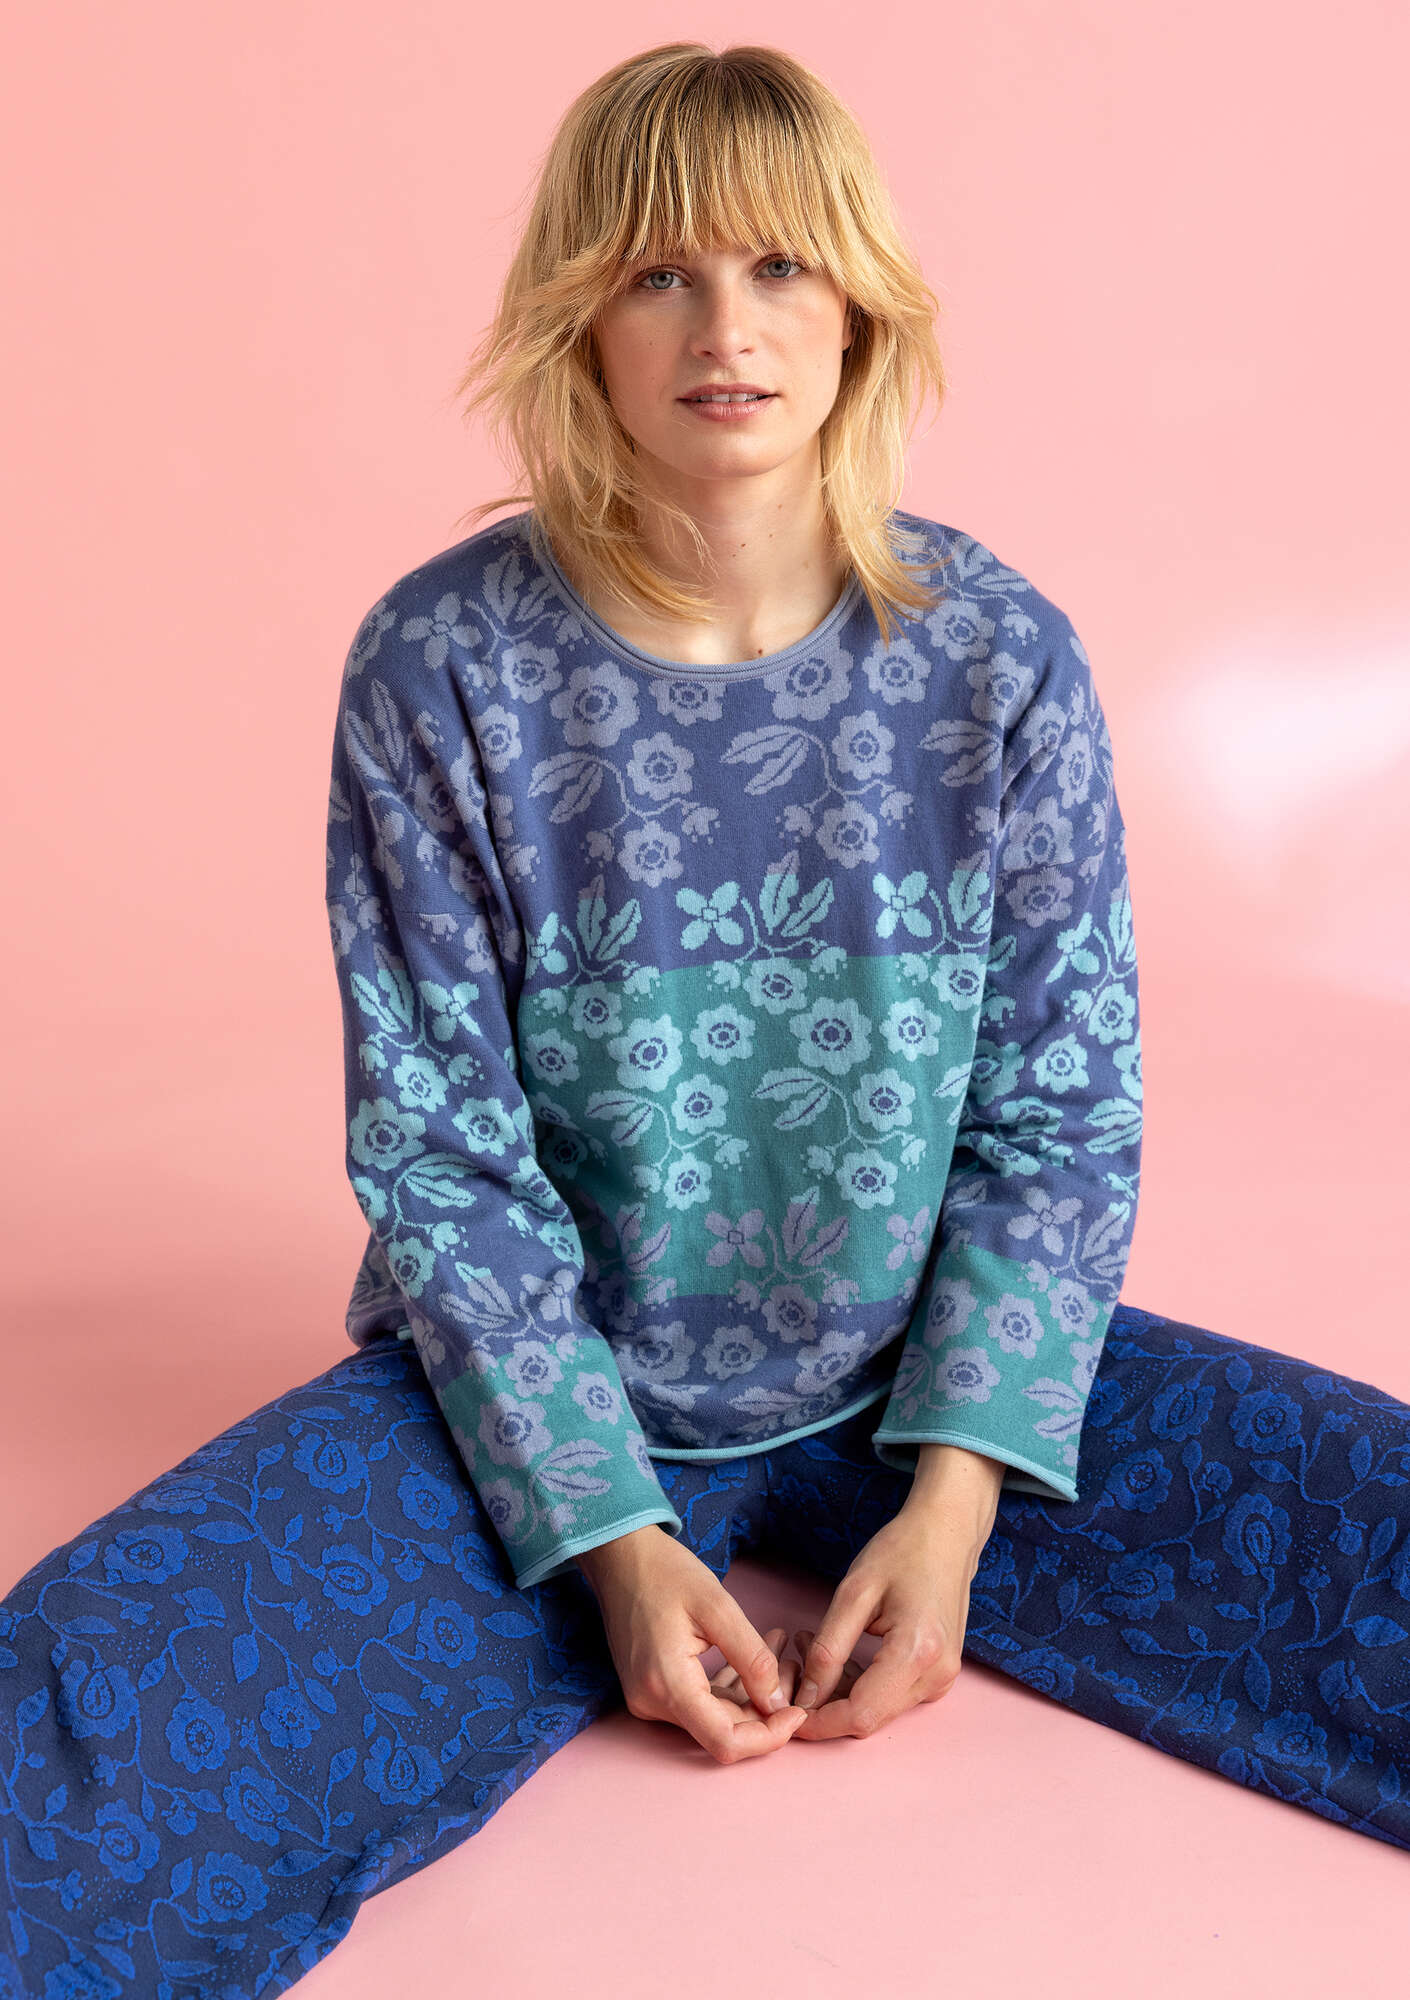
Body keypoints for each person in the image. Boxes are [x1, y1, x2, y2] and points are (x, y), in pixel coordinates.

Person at [3, 39, 1409, 2000]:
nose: (724, 328)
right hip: (519, 1409)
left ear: (859, 308)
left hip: (927, 1370)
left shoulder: (997, 661)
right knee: (78, 1718)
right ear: (580, 317)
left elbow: (1059, 1112)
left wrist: (954, 1506)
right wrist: (609, 1537)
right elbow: (439, 1153)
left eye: (778, 267)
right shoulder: (443, 669)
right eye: (659, 273)